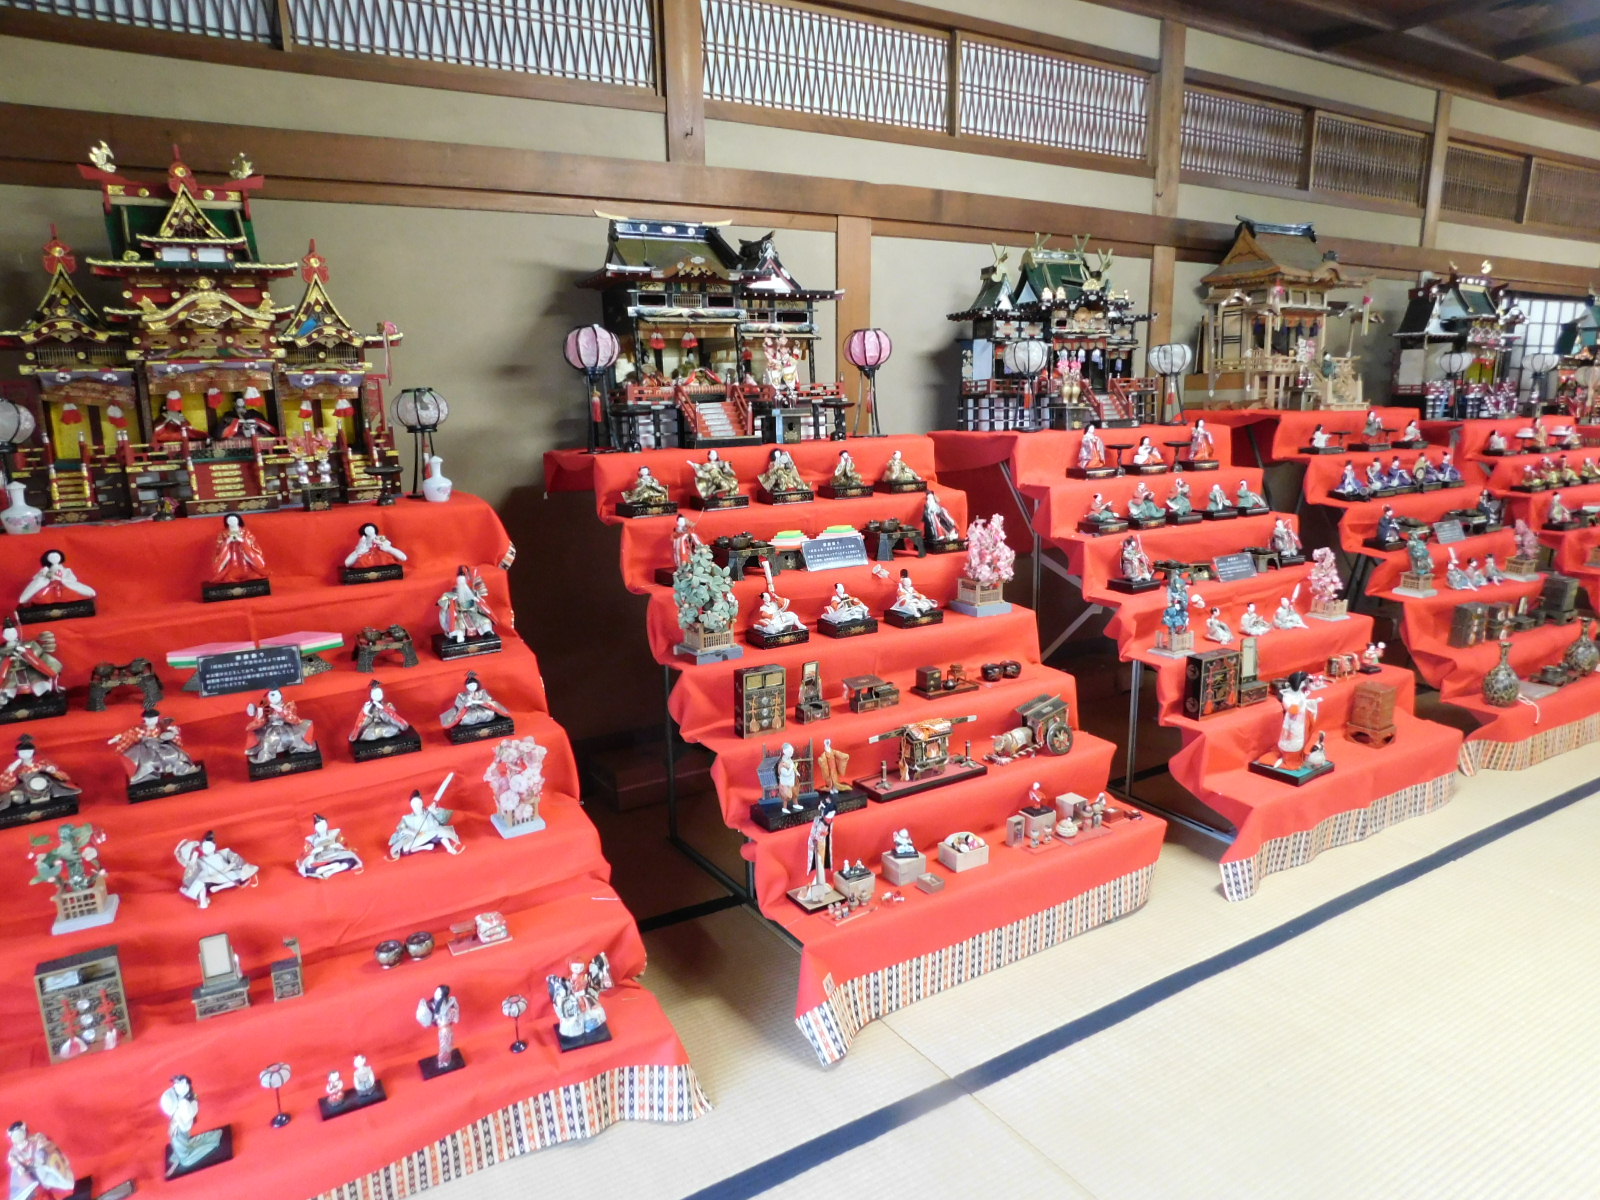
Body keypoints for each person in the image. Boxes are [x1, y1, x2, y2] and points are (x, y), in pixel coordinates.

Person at [109, 708, 201, 786]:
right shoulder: (139, 729)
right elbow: (129, 734)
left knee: (173, 754)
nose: (152, 721)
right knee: (148, 762)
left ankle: (184, 769)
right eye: (149, 719)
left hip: (161, 745)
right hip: (146, 748)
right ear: (144, 719)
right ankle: (147, 778)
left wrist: (173, 732)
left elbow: (170, 730)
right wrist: (119, 737)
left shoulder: (160, 725)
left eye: (154, 718)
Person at [160, 1075, 223, 1177]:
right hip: (179, 1125)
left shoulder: (184, 1103)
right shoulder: (179, 1098)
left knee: (183, 1152)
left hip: (180, 1126)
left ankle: (184, 1155)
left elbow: (189, 1113)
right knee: (180, 1142)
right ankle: (181, 1154)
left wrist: (193, 1101)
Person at [176, 832, 259, 908]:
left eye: (210, 846)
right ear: (201, 848)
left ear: (214, 846)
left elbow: (233, 862)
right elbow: (189, 866)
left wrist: (231, 866)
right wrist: (194, 858)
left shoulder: (222, 854)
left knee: (237, 875)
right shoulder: (200, 860)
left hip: (222, 875)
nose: (208, 848)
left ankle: (219, 887)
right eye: (205, 846)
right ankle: (203, 901)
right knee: (199, 882)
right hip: (207, 878)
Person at [0, 736, 80, 813]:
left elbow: (49, 769)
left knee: (55, 786)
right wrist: (12, 768)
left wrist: (50, 769)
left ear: (33, 752)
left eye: (29, 752)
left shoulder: (39, 763)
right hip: (25, 786)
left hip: (43, 782)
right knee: (17, 798)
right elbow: (8, 778)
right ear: (18, 753)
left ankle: (53, 793)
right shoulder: (18, 766)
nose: (26, 754)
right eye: (22, 752)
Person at [245, 689, 316, 763]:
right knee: (262, 736)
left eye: (275, 695)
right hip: (270, 727)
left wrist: (281, 711)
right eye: (271, 695)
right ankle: (262, 753)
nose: (273, 698)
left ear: (281, 696)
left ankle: (266, 755)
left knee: (274, 737)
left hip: (284, 726)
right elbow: (261, 719)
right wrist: (257, 712)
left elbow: (292, 718)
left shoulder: (288, 705)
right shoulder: (267, 707)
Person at [6, 1120, 74, 1199]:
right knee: (46, 1181)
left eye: (19, 1133)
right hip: (36, 1172)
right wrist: (20, 1168)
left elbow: (45, 1146)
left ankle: (68, 1182)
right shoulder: (13, 1153)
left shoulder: (36, 1138)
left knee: (63, 1177)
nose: (17, 1137)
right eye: (14, 1135)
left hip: (47, 1163)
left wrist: (41, 1154)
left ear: (24, 1130)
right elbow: (14, 1163)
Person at [388, 788, 463, 858]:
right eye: (414, 804)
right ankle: (424, 847)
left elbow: (443, 820)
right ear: (411, 805)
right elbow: (401, 828)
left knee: (441, 832)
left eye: (418, 803)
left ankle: (449, 848)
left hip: (431, 832)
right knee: (405, 848)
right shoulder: (407, 818)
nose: (417, 806)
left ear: (422, 803)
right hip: (418, 836)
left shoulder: (428, 812)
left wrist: (435, 811)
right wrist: (411, 832)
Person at [17, 550, 95, 608]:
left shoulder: (66, 570)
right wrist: (52, 577)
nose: (54, 558)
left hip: (63, 585)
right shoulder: (45, 570)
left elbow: (71, 578)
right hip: (50, 586)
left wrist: (62, 580)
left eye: (56, 556)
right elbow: (45, 575)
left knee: (72, 593)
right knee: (43, 594)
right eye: (52, 557)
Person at [439, 566, 495, 643]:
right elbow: (442, 603)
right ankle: (456, 637)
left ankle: (487, 632)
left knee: (484, 620)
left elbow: (480, 604)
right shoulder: (451, 595)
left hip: (472, 613)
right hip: (459, 615)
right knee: (457, 625)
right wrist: (450, 601)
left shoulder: (472, 593)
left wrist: (478, 600)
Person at [296, 814, 363, 879]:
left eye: (323, 825)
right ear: (315, 827)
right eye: (319, 826)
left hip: (335, 854)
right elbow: (308, 852)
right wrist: (318, 849)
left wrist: (336, 846)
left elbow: (343, 846)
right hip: (321, 858)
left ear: (327, 824)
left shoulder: (334, 832)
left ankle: (331, 871)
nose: (321, 828)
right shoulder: (311, 838)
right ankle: (329, 867)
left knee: (350, 860)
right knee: (308, 867)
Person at [209, 512, 268, 585]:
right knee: (229, 576)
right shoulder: (223, 533)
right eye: (229, 520)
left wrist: (243, 541)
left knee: (251, 573)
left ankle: (247, 572)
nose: (232, 522)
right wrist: (227, 541)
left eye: (234, 520)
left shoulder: (245, 531)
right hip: (230, 554)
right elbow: (219, 546)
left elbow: (251, 541)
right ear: (226, 521)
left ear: (238, 520)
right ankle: (232, 573)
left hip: (244, 552)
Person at [440, 672, 511, 731]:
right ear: (466, 686)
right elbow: (459, 705)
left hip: (482, 709)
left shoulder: (482, 692)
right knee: (468, 717)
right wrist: (467, 704)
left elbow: (488, 701)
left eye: (474, 685)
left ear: (477, 685)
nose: (472, 687)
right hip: (469, 711)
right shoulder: (462, 695)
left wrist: (476, 701)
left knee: (489, 713)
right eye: (470, 685)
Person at [415, 986, 461, 1070]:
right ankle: (443, 1062)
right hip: (443, 1028)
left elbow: (456, 1018)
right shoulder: (437, 1004)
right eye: (436, 991)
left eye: (438, 993)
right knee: (445, 1046)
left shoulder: (448, 1002)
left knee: (447, 1046)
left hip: (445, 1028)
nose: (436, 994)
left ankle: (444, 1062)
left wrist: (454, 1008)